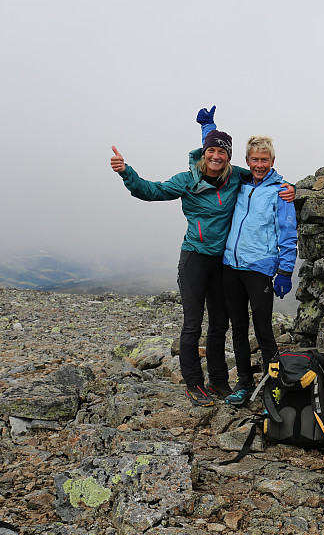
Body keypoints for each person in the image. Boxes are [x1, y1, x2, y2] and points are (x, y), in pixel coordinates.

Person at [110, 111, 294, 407]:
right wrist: (126, 172)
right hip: (195, 258)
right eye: (211, 151)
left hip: (222, 262)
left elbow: (265, 178)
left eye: (222, 153)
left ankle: (219, 381)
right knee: (193, 324)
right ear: (203, 154)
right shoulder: (187, 180)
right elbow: (151, 191)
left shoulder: (236, 176)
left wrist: (291, 189)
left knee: (219, 323)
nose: (216, 156)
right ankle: (194, 384)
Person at [199, 114, 298, 405]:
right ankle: (244, 384)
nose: (258, 165)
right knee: (238, 328)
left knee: (264, 329)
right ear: (247, 159)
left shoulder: (281, 191)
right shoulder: (239, 181)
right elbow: (213, 157)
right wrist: (208, 129)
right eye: (254, 159)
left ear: (272, 159)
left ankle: (276, 387)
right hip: (231, 267)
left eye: (264, 160)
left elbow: (288, 234)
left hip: (260, 269)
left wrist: (285, 271)